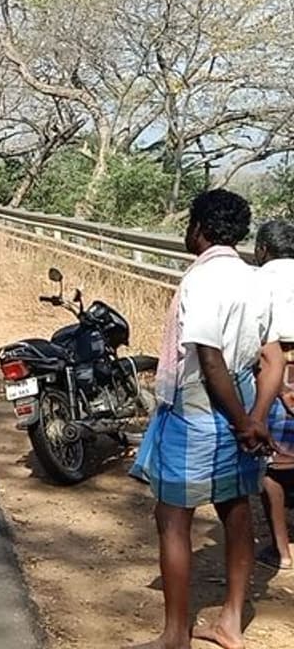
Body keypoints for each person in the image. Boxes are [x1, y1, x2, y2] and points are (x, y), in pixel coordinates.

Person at [127, 189, 273, 649]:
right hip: (245, 395)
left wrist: (241, 421)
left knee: (172, 516)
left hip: (203, 405)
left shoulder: (202, 280)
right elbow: (267, 354)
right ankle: (230, 620)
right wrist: (255, 416)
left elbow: (208, 356)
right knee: (236, 509)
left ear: (200, 229)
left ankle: (175, 635)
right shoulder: (256, 279)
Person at [250, 219, 294, 572]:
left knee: (272, 467)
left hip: (280, 371)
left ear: (262, 249)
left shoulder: (257, 280)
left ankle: (280, 551)